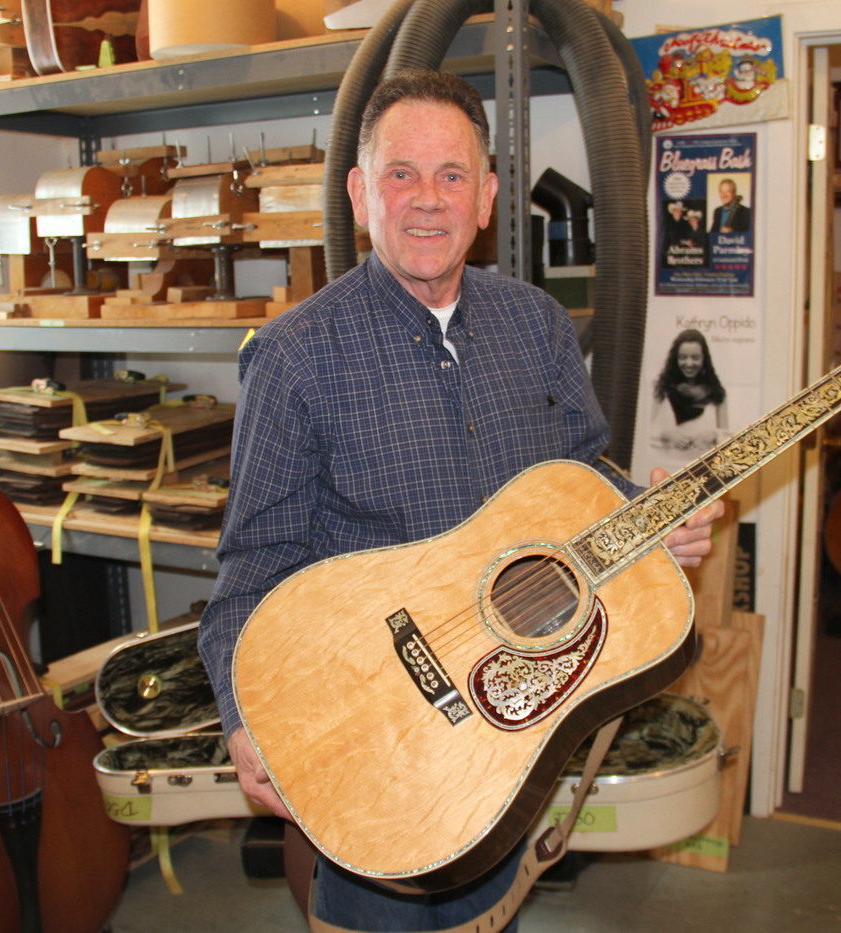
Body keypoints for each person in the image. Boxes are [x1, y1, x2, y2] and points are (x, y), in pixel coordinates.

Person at [197, 68, 721, 932]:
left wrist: (651, 515)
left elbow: (584, 476)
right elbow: (252, 567)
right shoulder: (294, 358)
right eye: (401, 174)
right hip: (377, 738)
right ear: (362, 194)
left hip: (506, 724)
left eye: (452, 177)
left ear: (486, 199)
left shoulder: (537, 324)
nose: (427, 201)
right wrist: (243, 715)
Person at [650, 328, 728, 454]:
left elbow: (727, 436)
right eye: (683, 357)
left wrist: (714, 435)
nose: (689, 363)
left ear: (704, 359)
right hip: (666, 465)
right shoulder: (661, 388)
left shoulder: (717, 392)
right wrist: (667, 435)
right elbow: (645, 432)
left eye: (695, 357)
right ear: (675, 359)